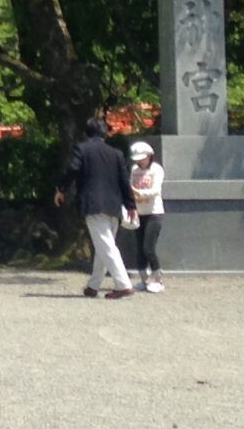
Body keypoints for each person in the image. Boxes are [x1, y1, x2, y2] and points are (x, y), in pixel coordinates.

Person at [57, 115, 137, 300]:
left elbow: (71, 169)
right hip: (114, 205)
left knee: (106, 246)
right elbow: (125, 181)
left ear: (86, 133)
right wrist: (130, 205)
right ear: (105, 133)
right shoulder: (116, 154)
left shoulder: (82, 149)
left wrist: (61, 189)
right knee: (104, 245)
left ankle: (123, 284)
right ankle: (93, 286)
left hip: (92, 203)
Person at [126, 139, 166, 292]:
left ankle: (158, 279)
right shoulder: (134, 170)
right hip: (139, 212)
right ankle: (144, 280)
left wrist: (138, 193)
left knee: (148, 247)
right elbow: (129, 186)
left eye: (143, 158)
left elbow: (155, 190)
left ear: (149, 156)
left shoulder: (157, 169)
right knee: (139, 248)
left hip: (154, 212)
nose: (140, 162)